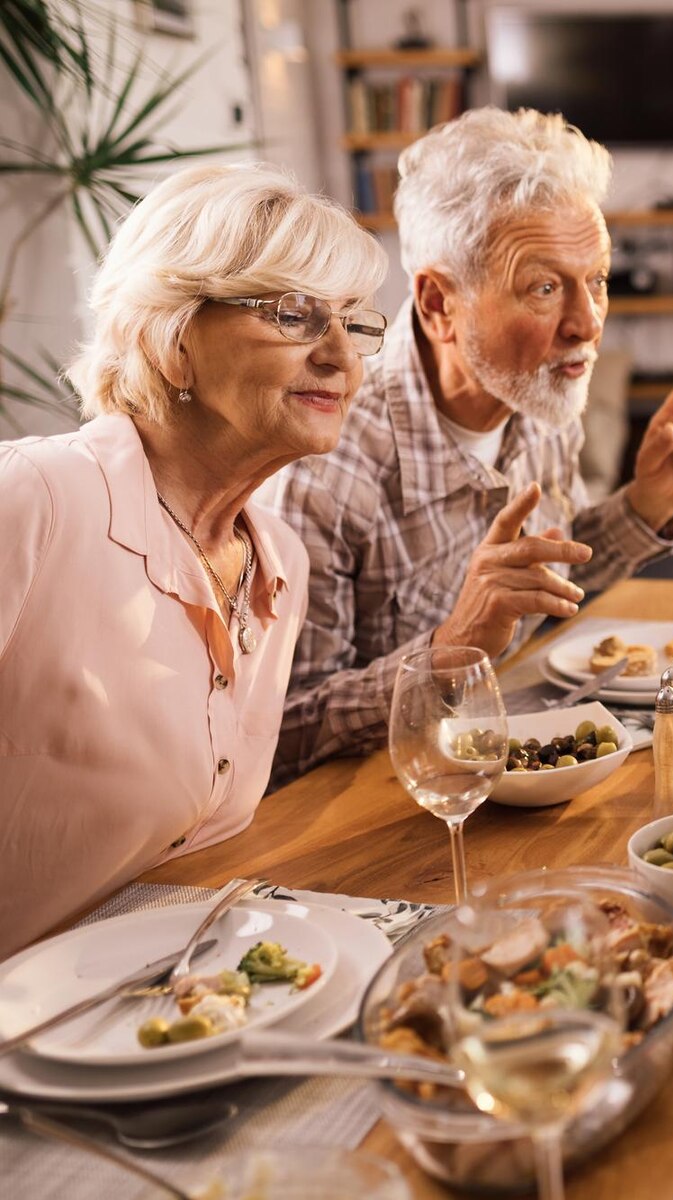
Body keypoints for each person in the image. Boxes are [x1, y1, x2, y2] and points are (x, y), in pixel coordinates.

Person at [267, 108, 673, 782]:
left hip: (514, 756)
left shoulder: (539, 396)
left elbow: (542, 584)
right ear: (437, 304)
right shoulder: (325, 461)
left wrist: (646, 504)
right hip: (384, 811)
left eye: (596, 280)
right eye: (544, 288)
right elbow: (277, 734)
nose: (587, 324)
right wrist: (452, 651)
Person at [0, 164, 387, 955]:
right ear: (170, 338)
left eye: (355, 325)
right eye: (295, 315)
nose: (343, 361)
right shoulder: (32, 500)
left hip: (179, 992)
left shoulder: (276, 559)